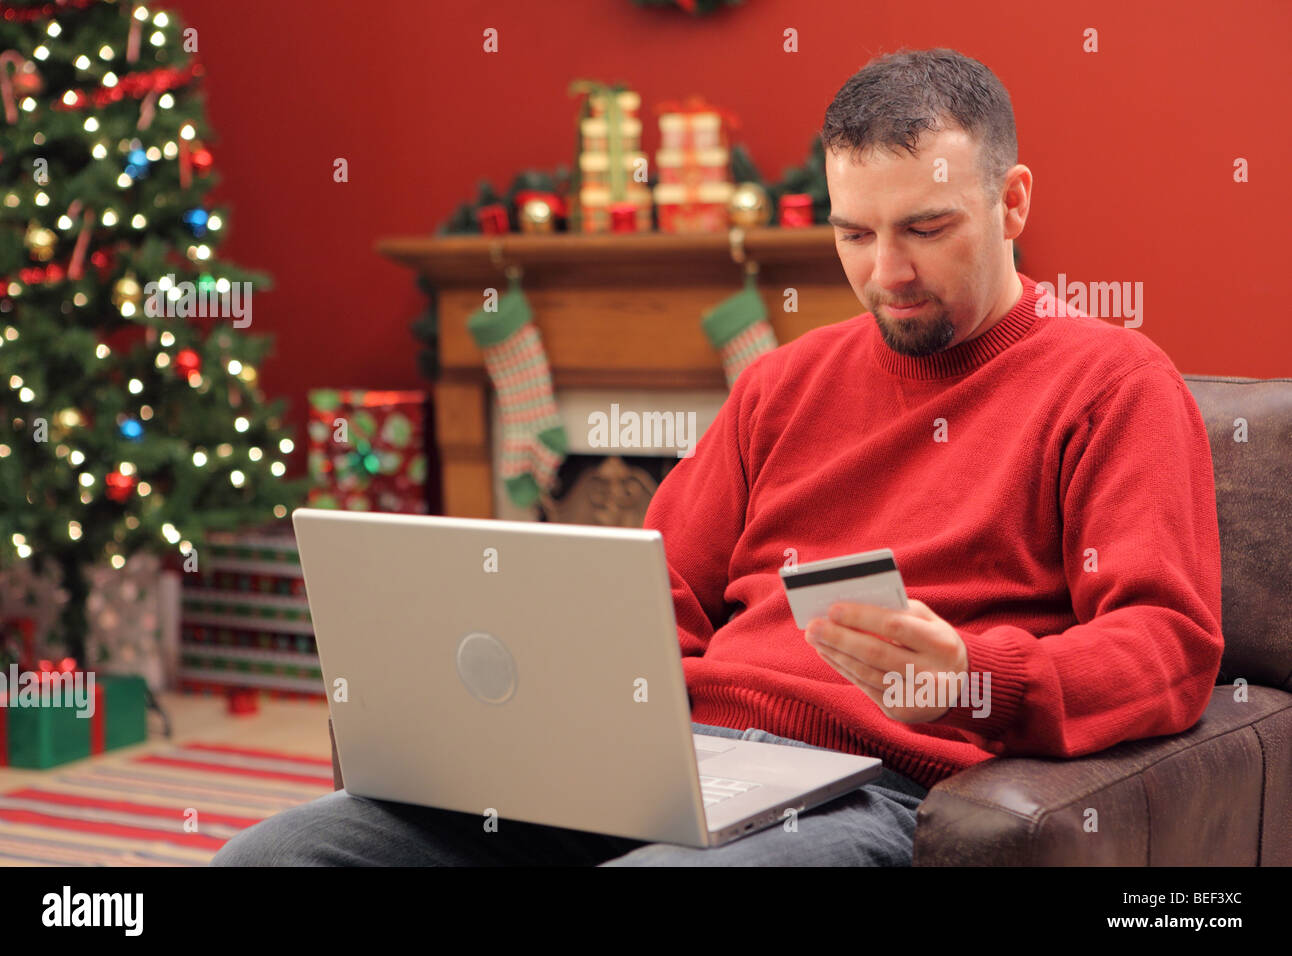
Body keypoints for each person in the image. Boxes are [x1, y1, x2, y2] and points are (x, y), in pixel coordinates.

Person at [212, 47, 1222, 867]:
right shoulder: (782, 382)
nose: (886, 273)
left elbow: (1167, 645)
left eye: (925, 227)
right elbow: (651, 593)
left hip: (871, 783)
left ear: (1011, 204)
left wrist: (974, 674)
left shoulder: (1113, 383)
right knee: (281, 854)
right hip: (677, 760)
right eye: (852, 233)